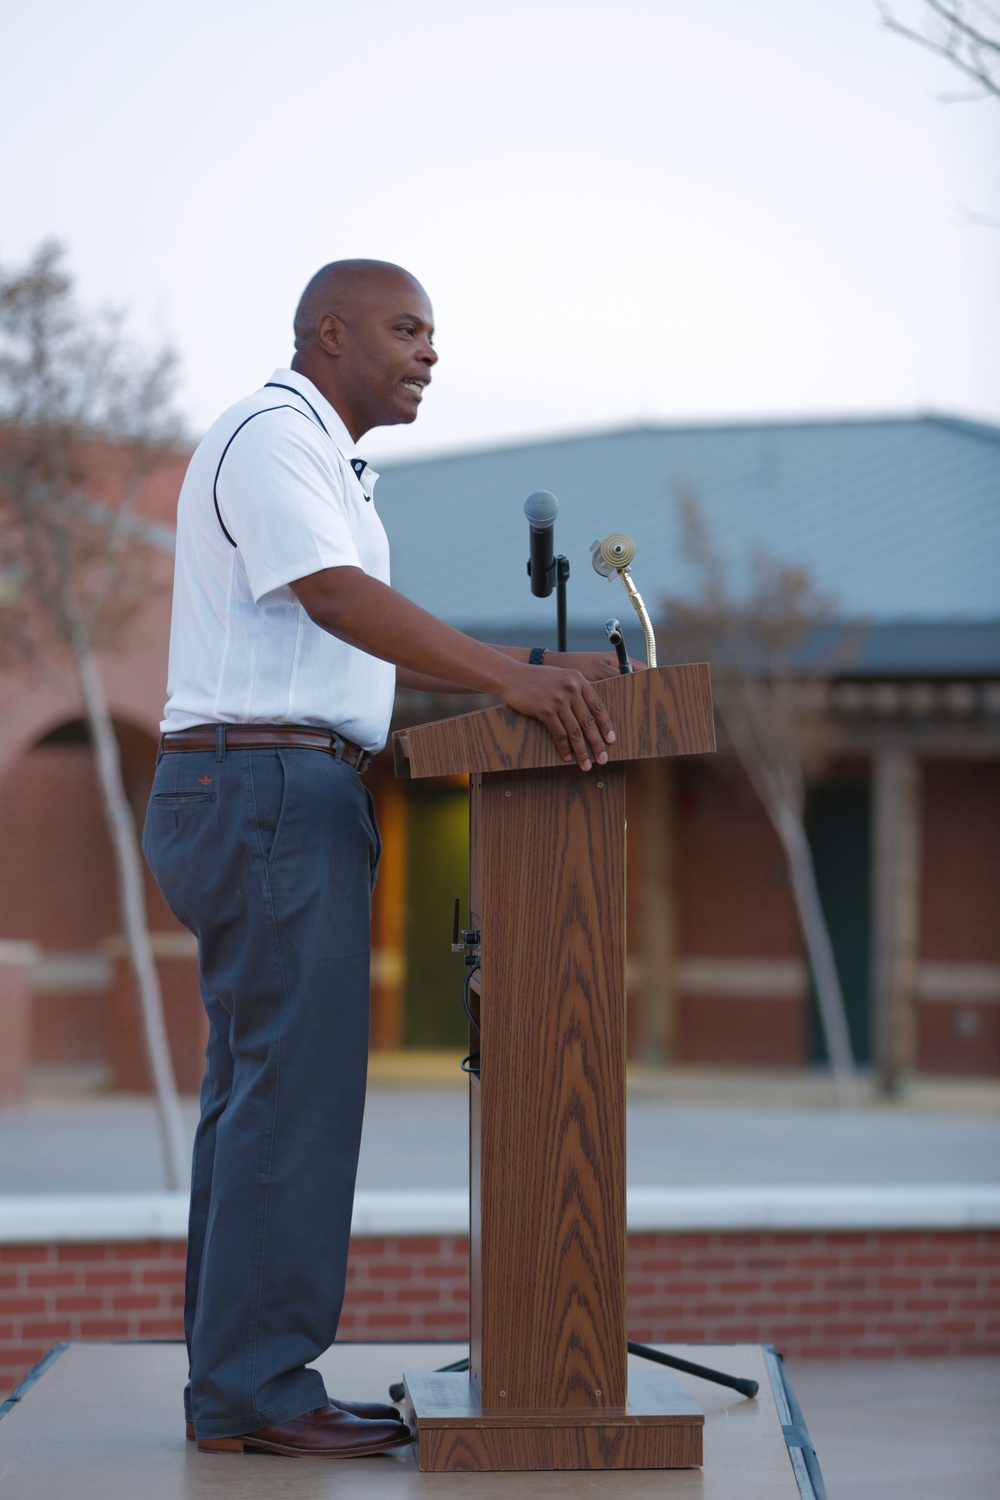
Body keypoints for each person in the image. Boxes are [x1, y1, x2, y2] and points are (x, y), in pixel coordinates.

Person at [142, 259, 622, 1459]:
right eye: (406, 330)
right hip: (260, 788)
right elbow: (332, 597)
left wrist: (520, 672)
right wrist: (510, 678)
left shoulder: (331, 463)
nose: (428, 353)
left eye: (432, 334)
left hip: (276, 786)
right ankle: (258, 1390)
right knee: (288, 1104)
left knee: (260, 1101)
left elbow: (351, 632)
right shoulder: (272, 435)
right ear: (328, 333)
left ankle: (238, 1388)